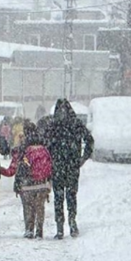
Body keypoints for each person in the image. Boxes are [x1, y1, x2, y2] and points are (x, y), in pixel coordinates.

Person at [46, 98, 94, 239]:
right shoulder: (75, 123)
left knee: (59, 197)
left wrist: (49, 160)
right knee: (71, 195)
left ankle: (60, 227)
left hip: (57, 166)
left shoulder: (53, 125)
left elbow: (46, 144)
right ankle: (72, 222)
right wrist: (83, 158)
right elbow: (89, 140)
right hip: (72, 165)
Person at [0, 120, 53, 239]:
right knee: (40, 207)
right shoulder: (44, 147)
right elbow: (50, 166)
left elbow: (11, 170)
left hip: (26, 184)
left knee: (28, 207)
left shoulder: (21, 149)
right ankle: (39, 230)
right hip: (42, 183)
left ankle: (29, 229)